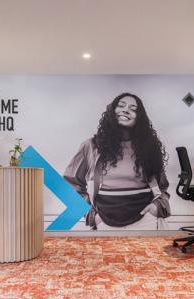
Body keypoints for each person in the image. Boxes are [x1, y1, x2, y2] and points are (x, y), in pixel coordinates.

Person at [64, 92, 170, 230]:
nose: (126, 110)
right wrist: (91, 214)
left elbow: (162, 186)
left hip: (146, 219)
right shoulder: (90, 146)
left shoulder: (149, 147)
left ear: (139, 118)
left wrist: (157, 207)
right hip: (104, 220)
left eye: (133, 109)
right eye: (121, 106)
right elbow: (70, 184)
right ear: (112, 111)